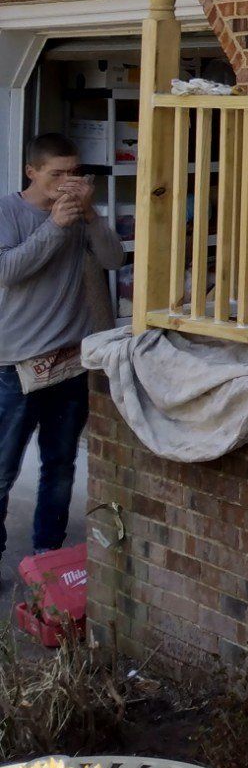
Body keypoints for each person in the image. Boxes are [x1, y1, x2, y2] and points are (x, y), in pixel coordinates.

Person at [0, 131, 125, 586]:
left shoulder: (80, 214)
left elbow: (113, 259)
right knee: (3, 469)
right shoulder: (8, 212)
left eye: (75, 173)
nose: (67, 182)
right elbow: (8, 272)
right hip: (16, 364)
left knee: (60, 465)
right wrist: (55, 226)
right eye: (57, 174)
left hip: (70, 362)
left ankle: (47, 557)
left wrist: (90, 215)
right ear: (31, 171)